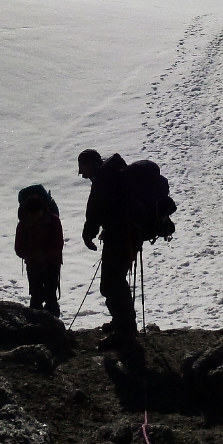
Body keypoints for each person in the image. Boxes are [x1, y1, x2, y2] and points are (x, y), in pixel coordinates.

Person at [78, 148, 138, 349]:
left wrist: (88, 234)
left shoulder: (104, 180)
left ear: (91, 165)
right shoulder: (114, 175)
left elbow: (94, 213)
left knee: (111, 285)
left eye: (83, 168)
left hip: (120, 238)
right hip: (129, 235)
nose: (82, 174)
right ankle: (126, 325)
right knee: (118, 282)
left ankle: (124, 332)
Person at [14, 188, 63, 316]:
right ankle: (42, 326)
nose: (35, 217)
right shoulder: (50, 221)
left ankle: (47, 326)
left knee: (50, 295)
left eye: (37, 213)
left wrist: (39, 256)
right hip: (37, 264)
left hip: (49, 264)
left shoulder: (52, 221)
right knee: (37, 296)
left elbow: (58, 243)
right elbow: (18, 247)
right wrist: (35, 256)